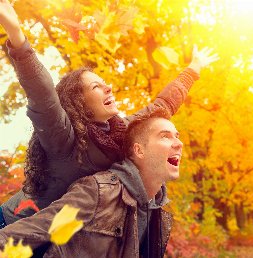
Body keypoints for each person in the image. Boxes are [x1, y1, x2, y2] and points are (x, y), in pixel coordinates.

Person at [0, 0, 218, 228]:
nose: (108, 88)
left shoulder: (119, 132)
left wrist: (192, 70)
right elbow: (42, 92)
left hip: (55, 238)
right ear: (79, 102)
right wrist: (16, 33)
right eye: (96, 87)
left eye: (105, 83)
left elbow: (161, 106)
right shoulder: (62, 136)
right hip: (11, 225)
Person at [0, 108, 182, 257]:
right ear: (139, 151)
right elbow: (35, 230)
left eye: (177, 135)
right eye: (165, 136)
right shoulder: (99, 191)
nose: (179, 143)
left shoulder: (158, 214)